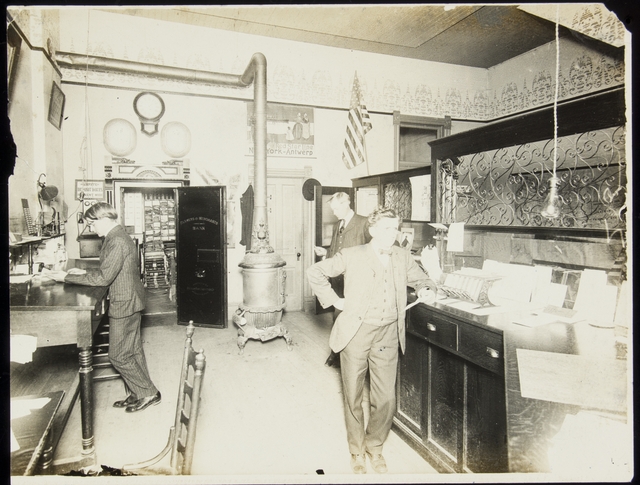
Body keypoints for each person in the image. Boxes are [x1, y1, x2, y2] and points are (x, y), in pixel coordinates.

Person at [307, 207, 437, 474]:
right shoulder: (352, 255)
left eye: (396, 228)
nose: (393, 234)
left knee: (386, 398)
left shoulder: (402, 256)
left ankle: (374, 447)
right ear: (373, 230)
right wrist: (335, 301)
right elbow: (315, 272)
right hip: (356, 332)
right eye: (388, 229)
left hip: (388, 332)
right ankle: (357, 451)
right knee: (353, 394)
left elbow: (423, 279)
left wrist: (425, 289)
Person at [49, 202, 160, 413]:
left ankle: (148, 393)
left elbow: (104, 277)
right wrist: (83, 274)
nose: (91, 228)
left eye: (92, 223)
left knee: (118, 355)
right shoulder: (115, 236)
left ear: (104, 219)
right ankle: (139, 392)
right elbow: (110, 268)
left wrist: (67, 276)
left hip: (125, 301)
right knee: (132, 351)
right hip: (130, 298)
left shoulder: (116, 240)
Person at [314, 192, 370, 367]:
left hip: (357, 281)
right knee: (338, 316)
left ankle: (350, 357)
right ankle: (336, 352)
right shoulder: (337, 225)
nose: (334, 212)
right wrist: (326, 254)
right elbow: (335, 251)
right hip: (338, 281)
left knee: (354, 319)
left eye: (337, 208)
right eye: (333, 209)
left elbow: (372, 250)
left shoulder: (364, 223)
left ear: (347, 203)